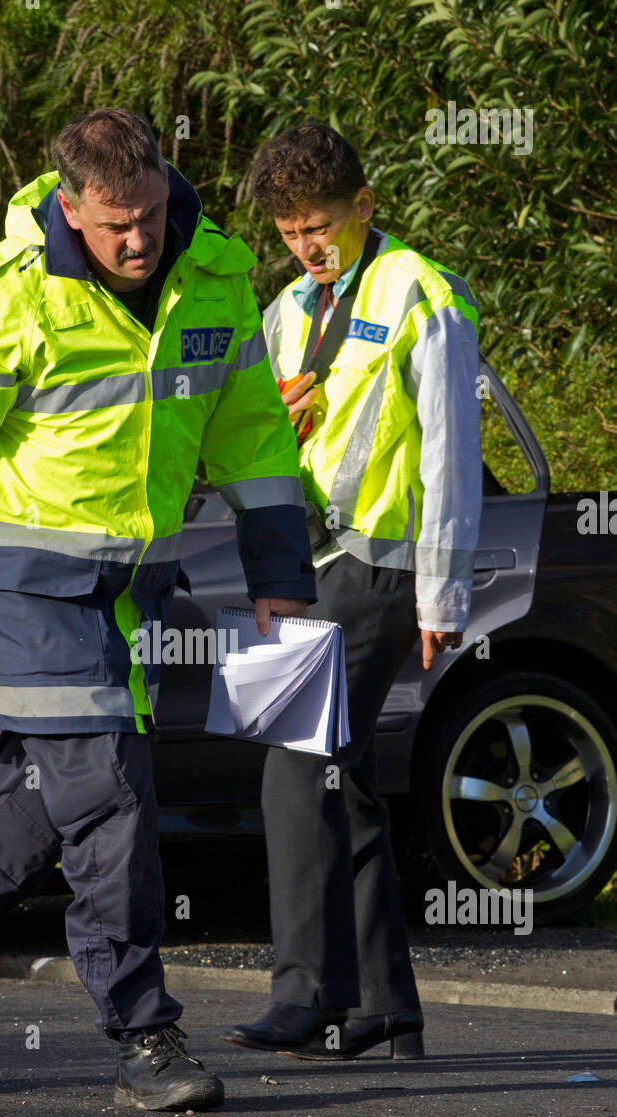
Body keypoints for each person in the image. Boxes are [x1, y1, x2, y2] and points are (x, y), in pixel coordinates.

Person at [0, 108, 315, 1111]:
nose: (136, 240)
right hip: (27, 589)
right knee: (110, 794)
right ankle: (143, 1031)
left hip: (130, 596)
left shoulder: (212, 275)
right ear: (67, 205)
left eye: (147, 213)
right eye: (112, 224)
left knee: (32, 811)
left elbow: (253, 435)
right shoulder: (0, 299)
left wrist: (278, 571)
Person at [223, 121, 483, 1061]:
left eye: (320, 225)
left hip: (380, 565)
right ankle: (385, 1003)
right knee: (345, 777)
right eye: (290, 231)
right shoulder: (287, 309)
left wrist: (441, 598)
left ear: (365, 206)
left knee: (291, 762)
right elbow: (253, 453)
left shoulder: (424, 292)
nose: (306, 246)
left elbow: (455, 453)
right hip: (303, 568)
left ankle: (309, 992)